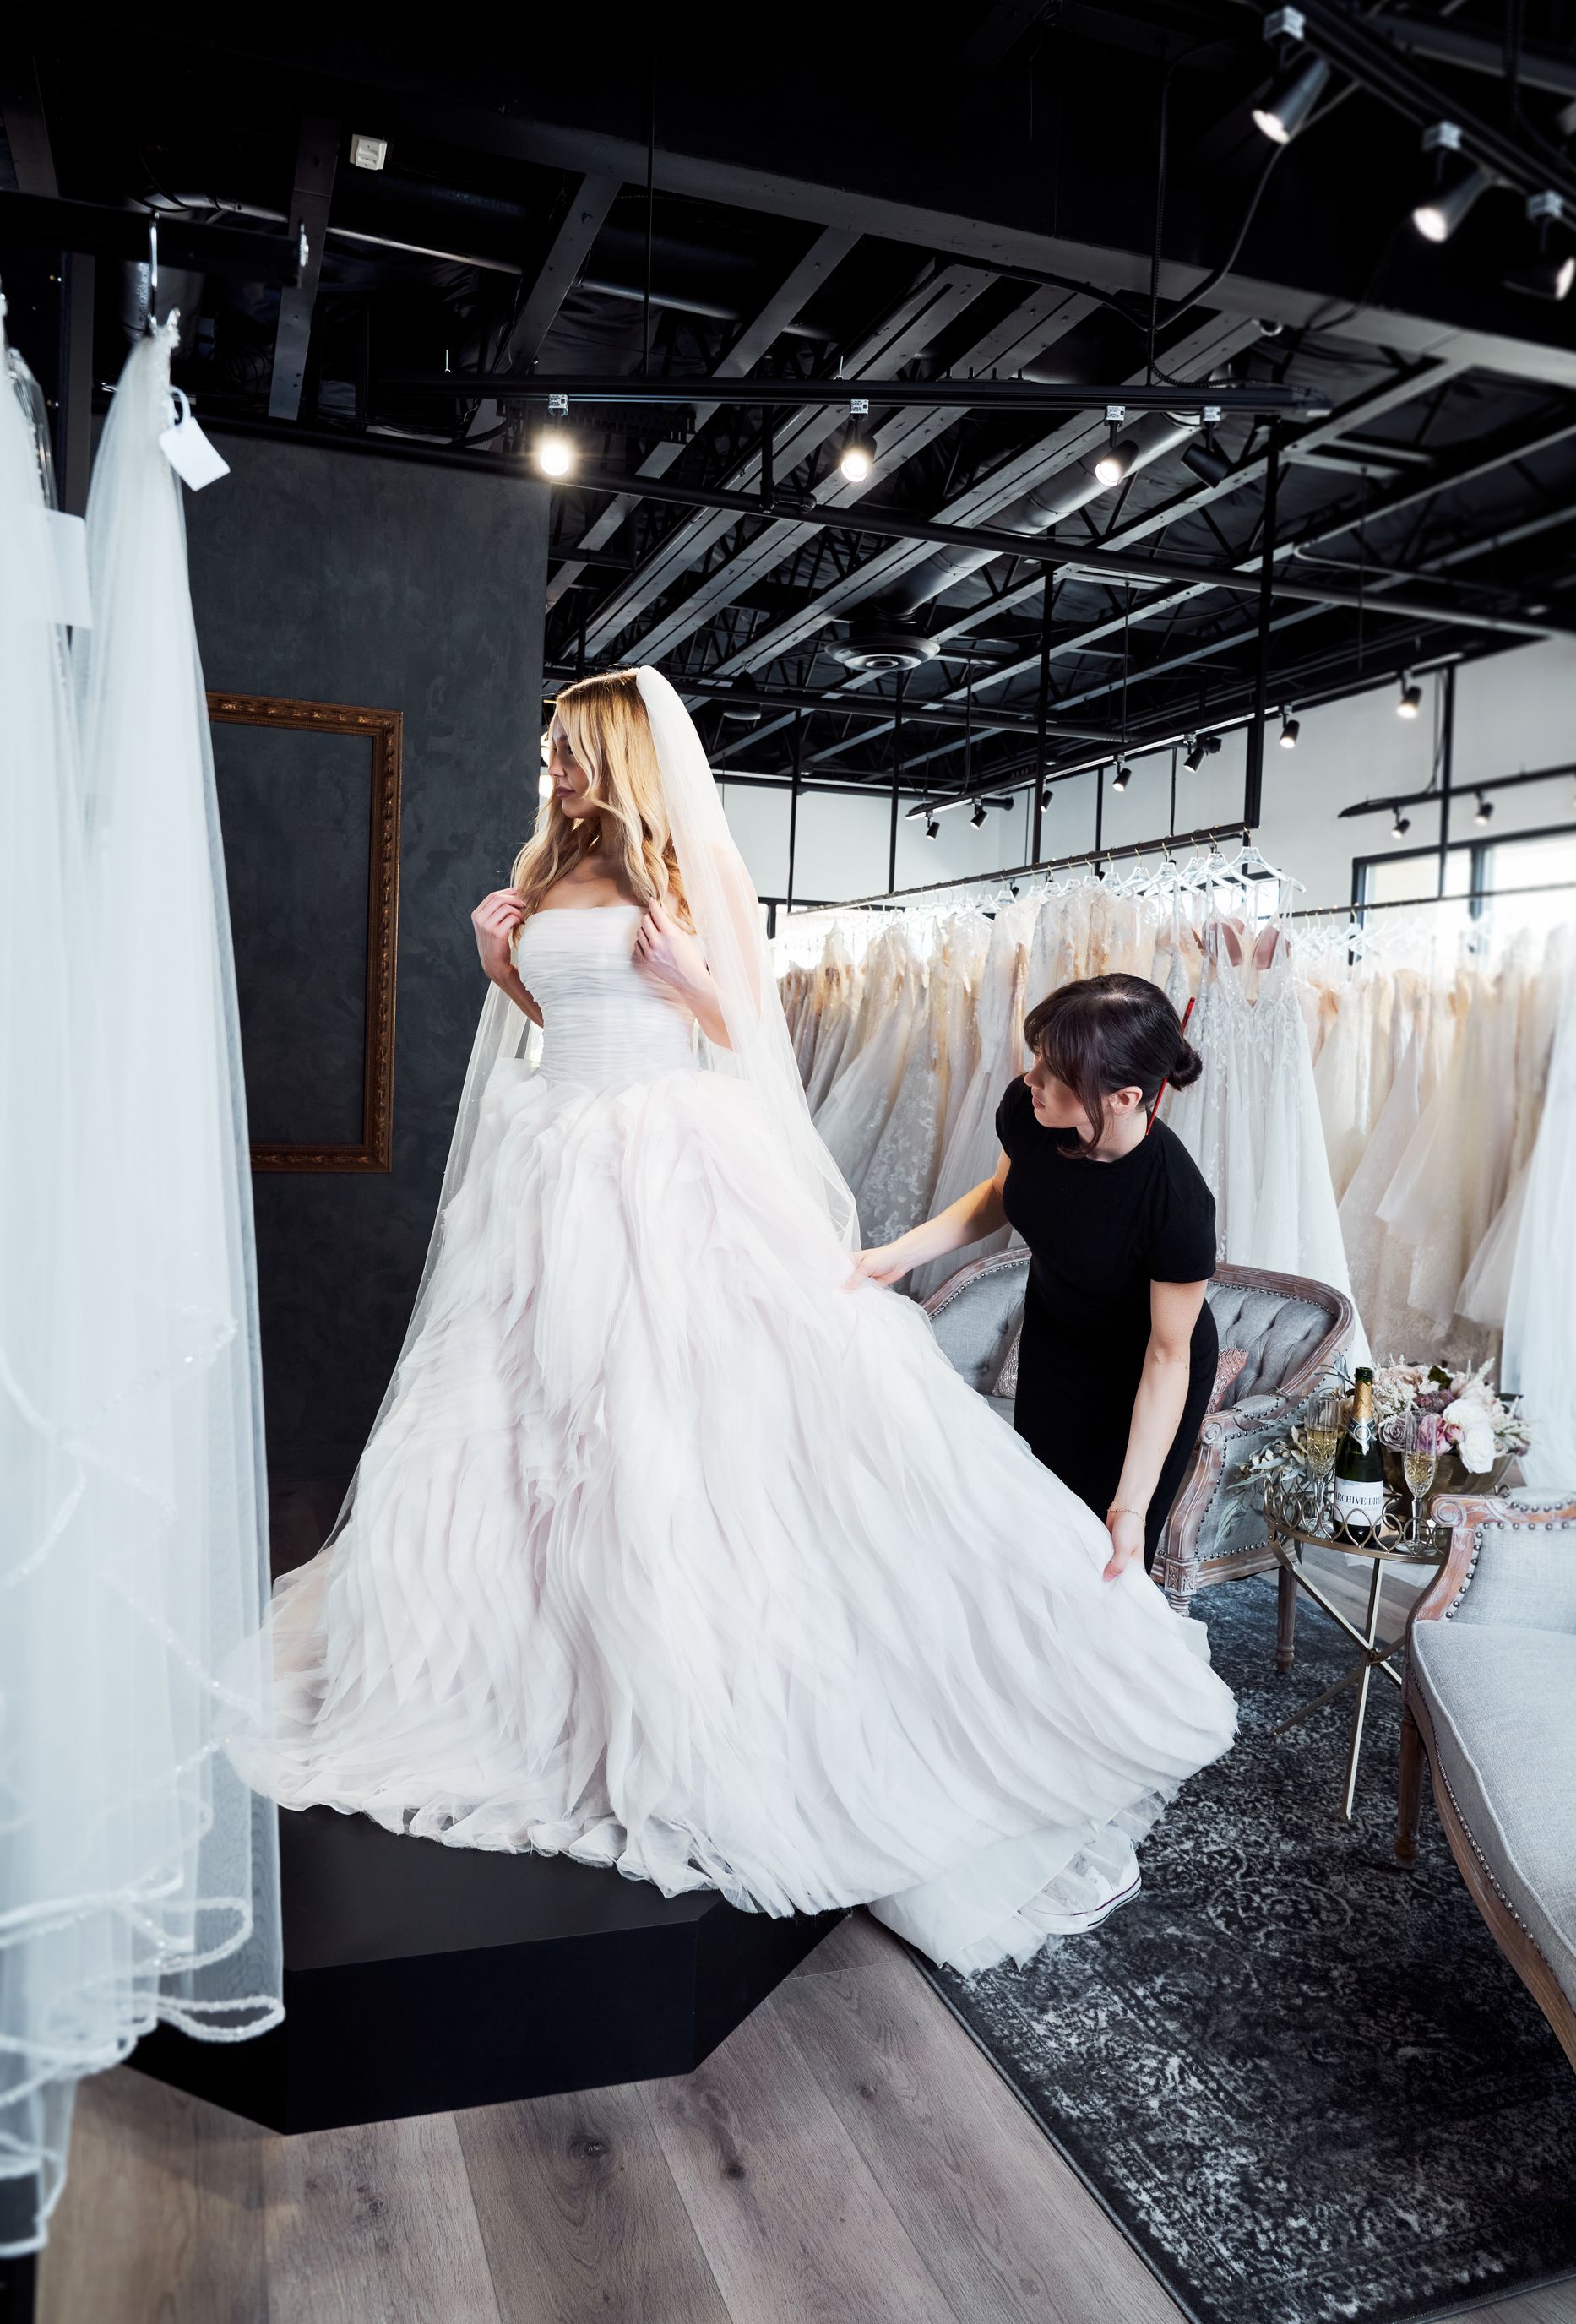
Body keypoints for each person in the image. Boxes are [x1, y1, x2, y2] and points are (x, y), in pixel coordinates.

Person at [240, 670, 1233, 1974]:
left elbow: (744, 1032)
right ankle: (513, 1671)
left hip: (661, 1159)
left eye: (572, 748)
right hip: (550, 1162)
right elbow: (566, 1016)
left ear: (621, 749)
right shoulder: (552, 856)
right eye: (551, 748)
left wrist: (687, 972)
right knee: (522, 1426)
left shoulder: (690, 853)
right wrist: (503, 966)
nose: (556, 767)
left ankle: (673, 1678)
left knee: (663, 1426)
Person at [856, 978, 1218, 1582]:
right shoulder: (1032, 1112)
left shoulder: (1175, 1201)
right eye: (1040, 1058)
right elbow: (1002, 1194)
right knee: (1038, 1532)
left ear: (1125, 1096)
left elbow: (1167, 1354)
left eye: (1057, 1072)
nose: (1033, 1079)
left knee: (1105, 1550)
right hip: (1055, 1339)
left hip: (1144, 1373)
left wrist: (1131, 1506)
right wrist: (900, 1253)